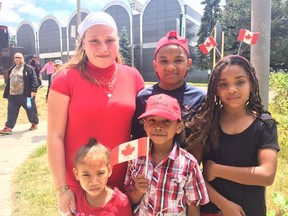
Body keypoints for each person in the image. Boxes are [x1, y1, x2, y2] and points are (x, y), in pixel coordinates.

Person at [47, 12, 144, 214]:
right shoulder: (65, 78)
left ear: (117, 41)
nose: (103, 48)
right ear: (83, 43)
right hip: (81, 186)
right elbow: (55, 137)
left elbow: (142, 131)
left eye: (109, 40)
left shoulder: (133, 77)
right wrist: (61, 188)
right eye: (94, 41)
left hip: (122, 185)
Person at [186, 55, 280, 216]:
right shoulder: (206, 122)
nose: (232, 89)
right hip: (211, 210)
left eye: (240, 82)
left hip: (251, 210)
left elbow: (266, 175)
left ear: (251, 83)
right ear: (215, 88)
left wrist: (216, 170)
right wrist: (224, 204)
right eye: (223, 84)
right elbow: (190, 172)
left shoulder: (265, 124)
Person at [124, 93, 209, 216]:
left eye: (166, 121)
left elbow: (193, 207)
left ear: (179, 127)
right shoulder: (136, 159)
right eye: (152, 120)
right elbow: (127, 201)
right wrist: (137, 190)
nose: (158, 127)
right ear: (145, 125)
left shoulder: (189, 164)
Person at [131, 30, 206, 162]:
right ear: (155, 65)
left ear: (188, 64)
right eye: (164, 61)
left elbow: (200, 142)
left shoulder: (199, 98)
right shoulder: (143, 98)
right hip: (149, 171)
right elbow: (138, 139)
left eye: (178, 60)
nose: (171, 67)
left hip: (184, 173)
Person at [68, 137, 133, 216]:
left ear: (109, 170)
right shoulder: (74, 200)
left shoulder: (121, 202)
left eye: (100, 173)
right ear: (76, 174)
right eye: (86, 175)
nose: (94, 182)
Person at [0, 52, 39, 135]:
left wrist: (34, 90)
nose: (17, 59)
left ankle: (34, 123)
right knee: (11, 111)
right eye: (16, 57)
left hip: (25, 95)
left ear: (23, 58)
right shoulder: (12, 69)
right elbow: (9, 82)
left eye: (19, 57)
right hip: (13, 95)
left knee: (30, 109)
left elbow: (34, 80)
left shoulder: (28, 68)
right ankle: (8, 127)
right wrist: (7, 94)